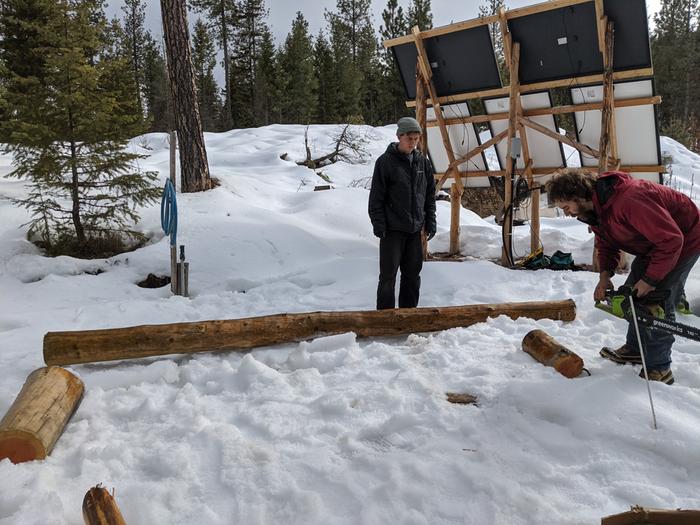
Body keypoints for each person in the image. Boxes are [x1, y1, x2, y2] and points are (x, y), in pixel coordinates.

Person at [546, 169, 700, 384]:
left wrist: (649, 281)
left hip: (683, 241)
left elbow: (671, 241)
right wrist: (604, 276)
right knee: (631, 299)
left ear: (578, 195)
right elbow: (606, 243)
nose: (567, 213)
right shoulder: (595, 209)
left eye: (566, 207)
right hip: (653, 244)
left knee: (656, 306)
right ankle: (635, 349)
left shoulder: (630, 200)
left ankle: (659, 368)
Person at [368, 116, 437, 310]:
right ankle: (385, 317)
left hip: (415, 230)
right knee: (388, 276)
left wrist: (430, 221)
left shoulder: (422, 163)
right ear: (399, 136)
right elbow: (376, 198)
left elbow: (429, 196)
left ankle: (409, 314)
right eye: (410, 139)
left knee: (412, 275)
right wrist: (379, 224)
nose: (413, 143)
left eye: (416, 139)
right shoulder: (385, 162)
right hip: (392, 230)